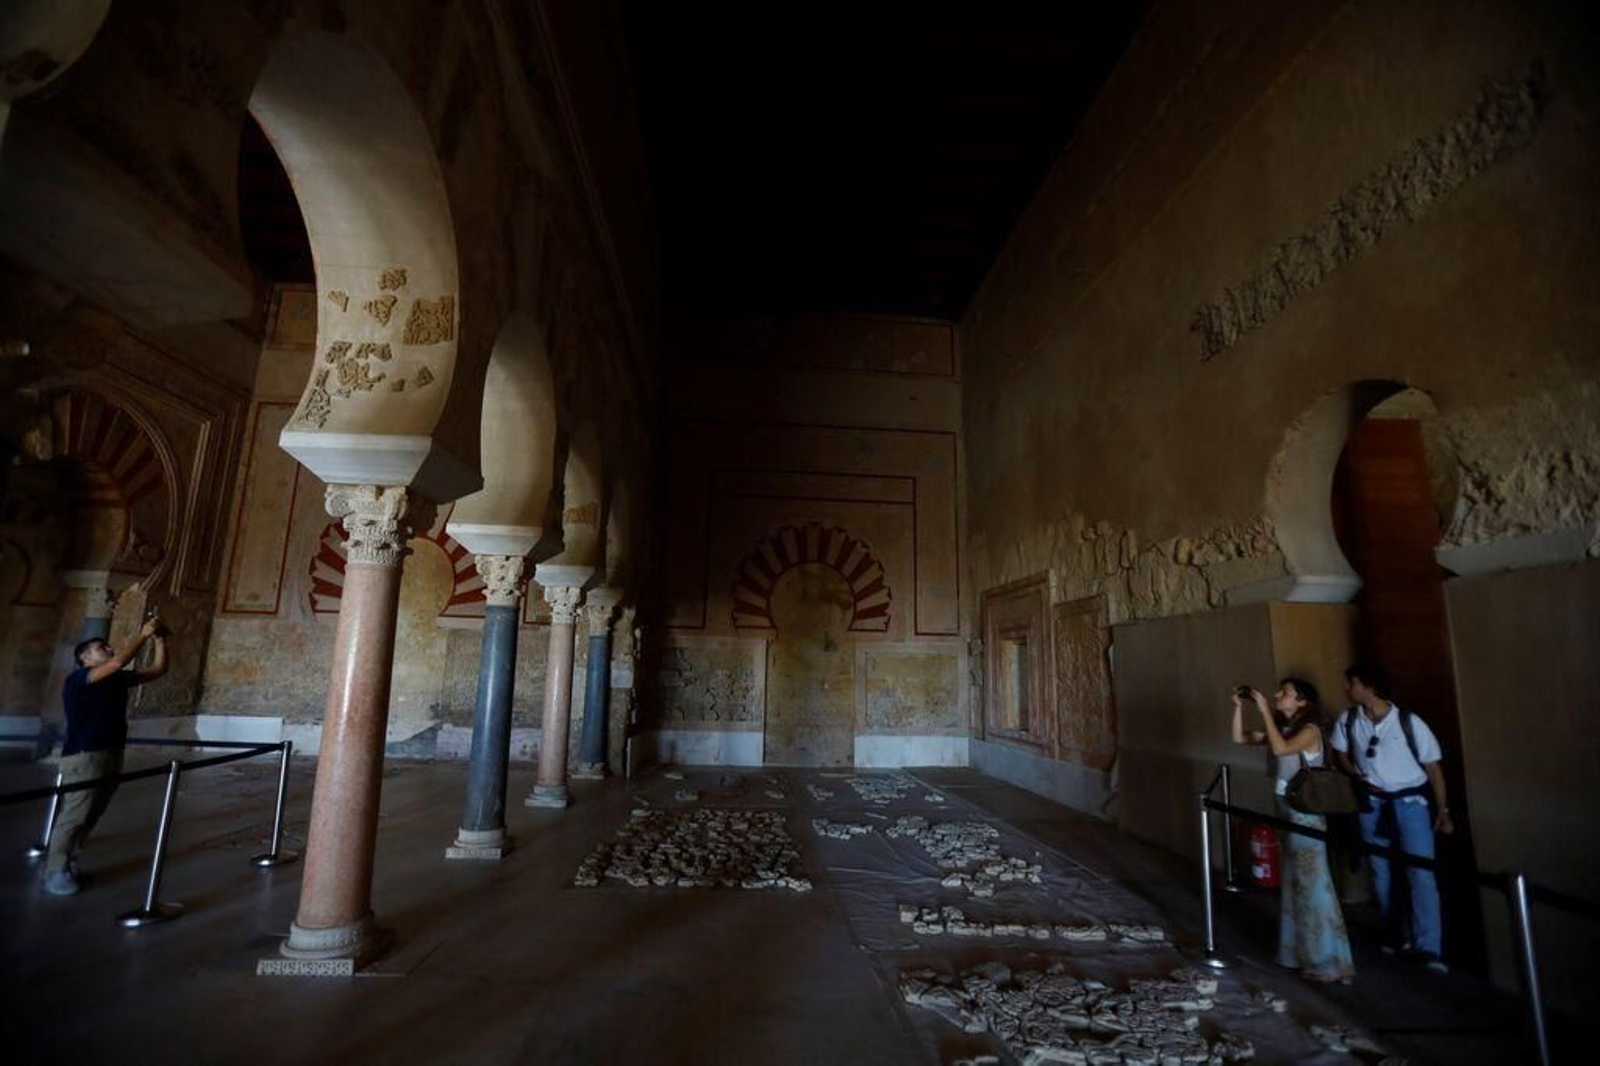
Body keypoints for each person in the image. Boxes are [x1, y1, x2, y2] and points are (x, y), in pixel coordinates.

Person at [1330, 663, 1451, 973]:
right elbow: (1339, 753)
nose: (1347, 689)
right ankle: (1396, 933)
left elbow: (1433, 768)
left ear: (1369, 687)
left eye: (1351, 683)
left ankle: (1429, 946)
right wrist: (1355, 773)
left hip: (1409, 803)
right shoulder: (1349, 720)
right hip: (1372, 804)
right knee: (1381, 870)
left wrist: (1442, 810)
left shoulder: (1408, 722)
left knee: (1420, 872)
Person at [1231, 678, 1354, 984]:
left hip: (1305, 812)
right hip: (1285, 806)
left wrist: (1261, 709)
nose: (1277, 696)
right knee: (1294, 881)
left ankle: (1329, 961)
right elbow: (1239, 738)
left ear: (1302, 702)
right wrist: (1237, 708)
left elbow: (1280, 747)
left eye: (1285, 693)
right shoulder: (1285, 727)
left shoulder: (1310, 732)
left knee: (1313, 886)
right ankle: (1297, 952)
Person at [42, 617, 169, 896]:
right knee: (75, 813)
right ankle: (54, 869)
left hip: (111, 751)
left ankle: (69, 859)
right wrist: (143, 634)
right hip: (84, 754)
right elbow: (116, 663)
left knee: (93, 810)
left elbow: (158, 670)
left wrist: (160, 640)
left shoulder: (116, 678)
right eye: (102, 646)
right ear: (85, 658)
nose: (109, 648)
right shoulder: (79, 679)